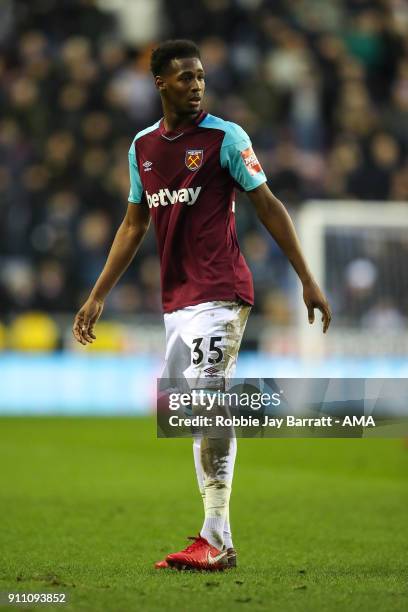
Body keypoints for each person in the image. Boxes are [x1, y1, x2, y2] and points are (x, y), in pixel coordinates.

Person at [72, 39, 331, 571]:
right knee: (190, 410)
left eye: (201, 77)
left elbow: (268, 205)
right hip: (178, 301)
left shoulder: (226, 138)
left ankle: (215, 538)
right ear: (160, 84)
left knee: (209, 398)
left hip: (222, 292)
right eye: (185, 77)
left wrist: (307, 277)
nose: (195, 85)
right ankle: (219, 535)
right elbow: (133, 223)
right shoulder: (142, 148)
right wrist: (98, 294)